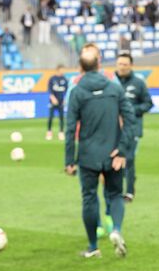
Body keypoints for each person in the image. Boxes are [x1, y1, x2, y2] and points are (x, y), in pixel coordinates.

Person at [64, 43, 136, 259]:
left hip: (88, 156)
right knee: (114, 195)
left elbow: (69, 129)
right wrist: (122, 150)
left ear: (80, 67)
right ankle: (116, 230)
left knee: (89, 198)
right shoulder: (114, 88)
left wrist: (69, 160)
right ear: (99, 63)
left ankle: (93, 247)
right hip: (113, 154)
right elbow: (130, 119)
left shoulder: (76, 92)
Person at [111, 52, 152, 202]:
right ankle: (115, 190)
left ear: (131, 65)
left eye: (125, 64)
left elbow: (148, 103)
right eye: (119, 64)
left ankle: (129, 192)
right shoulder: (111, 82)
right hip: (113, 128)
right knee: (114, 160)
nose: (122, 67)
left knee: (129, 159)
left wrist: (132, 111)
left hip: (132, 127)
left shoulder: (138, 83)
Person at [47, 64, 68, 140]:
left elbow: (66, 91)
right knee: (50, 117)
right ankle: (49, 132)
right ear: (58, 69)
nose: (63, 71)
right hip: (53, 101)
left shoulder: (65, 79)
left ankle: (61, 132)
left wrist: (65, 99)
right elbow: (49, 90)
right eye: (62, 69)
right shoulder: (52, 79)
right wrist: (53, 98)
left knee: (62, 117)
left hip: (61, 101)